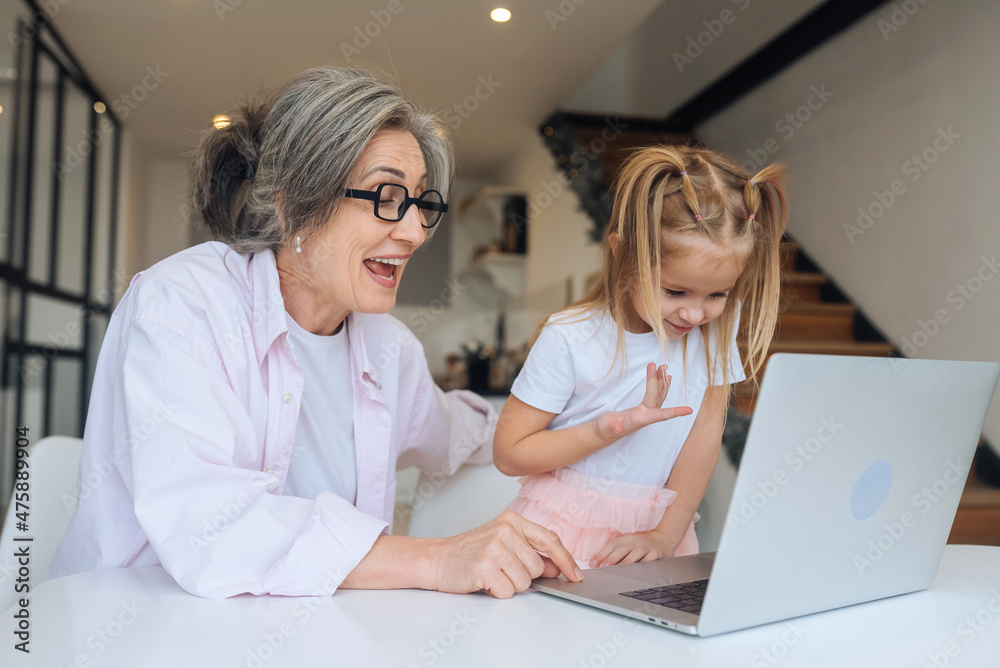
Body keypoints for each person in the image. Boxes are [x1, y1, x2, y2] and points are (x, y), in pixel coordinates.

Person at [47, 66, 580, 599]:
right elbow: (209, 524)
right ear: (292, 206)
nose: (415, 231)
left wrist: (582, 416)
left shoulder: (389, 349)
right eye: (386, 196)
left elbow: (464, 436)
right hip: (139, 632)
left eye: (420, 202)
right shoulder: (184, 304)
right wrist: (439, 559)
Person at [493, 145, 788, 568]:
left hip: (656, 535)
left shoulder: (714, 332)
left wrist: (665, 535)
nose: (694, 313)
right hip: (558, 530)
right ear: (622, 253)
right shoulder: (571, 337)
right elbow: (509, 453)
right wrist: (606, 430)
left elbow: (704, 438)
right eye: (675, 291)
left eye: (717, 294)